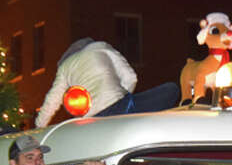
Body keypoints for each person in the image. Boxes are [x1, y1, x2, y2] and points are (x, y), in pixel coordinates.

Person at [35, 38, 178, 128]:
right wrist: (124, 98)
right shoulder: (100, 47)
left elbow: (52, 101)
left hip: (90, 120)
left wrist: (38, 126)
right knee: (171, 89)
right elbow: (131, 77)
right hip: (120, 108)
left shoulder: (64, 68)